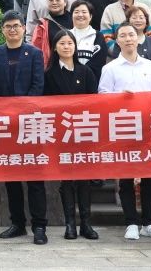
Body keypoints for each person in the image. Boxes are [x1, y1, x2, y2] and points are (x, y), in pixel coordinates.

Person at [99, 24, 151, 241]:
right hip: (123, 127)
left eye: (131, 35)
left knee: (150, 176)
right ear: (117, 40)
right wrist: (120, 97)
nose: (128, 39)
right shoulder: (110, 68)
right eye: (123, 35)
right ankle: (131, 222)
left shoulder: (150, 66)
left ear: (138, 38)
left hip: (148, 127)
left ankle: (149, 222)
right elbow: (102, 96)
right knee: (126, 176)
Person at [0, 12, 47, 244]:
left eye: (16, 26)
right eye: (8, 26)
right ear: (2, 30)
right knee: (11, 177)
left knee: (35, 178)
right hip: (5, 126)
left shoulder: (34, 54)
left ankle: (39, 226)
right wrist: (5, 112)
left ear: (23, 28)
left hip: (30, 124)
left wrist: (21, 111)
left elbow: (38, 86)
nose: (12, 30)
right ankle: (18, 223)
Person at [42, 28, 98, 240]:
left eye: (70, 43)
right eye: (62, 43)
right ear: (55, 48)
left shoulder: (86, 72)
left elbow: (94, 102)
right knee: (66, 180)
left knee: (84, 179)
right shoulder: (49, 74)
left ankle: (86, 223)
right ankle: (70, 224)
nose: (66, 47)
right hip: (61, 134)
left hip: (83, 132)